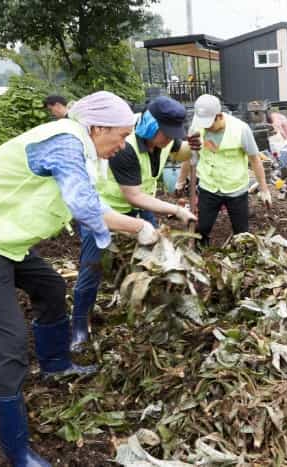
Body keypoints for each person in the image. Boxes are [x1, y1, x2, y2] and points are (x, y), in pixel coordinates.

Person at [0, 91, 159, 467]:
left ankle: (55, 365)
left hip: (2, 242)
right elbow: (85, 208)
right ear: (98, 127)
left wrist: (135, 226)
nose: (122, 145)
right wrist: (139, 228)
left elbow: (85, 197)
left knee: (51, 286)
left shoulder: (81, 147)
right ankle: (16, 450)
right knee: (9, 339)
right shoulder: (64, 144)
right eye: (119, 136)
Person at [71, 96, 197, 351]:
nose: (169, 139)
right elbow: (133, 194)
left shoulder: (164, 139)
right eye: (165, 134)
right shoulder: (124, 147)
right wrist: (176, 210)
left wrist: (191, 146)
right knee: (92, 269)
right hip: (105, 213)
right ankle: (79, 327)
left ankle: (143, 313)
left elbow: (178, 150)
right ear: (150, 126)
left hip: (141, 208)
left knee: (152, 264)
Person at [185, 94, 271, 245]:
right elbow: (190, 156)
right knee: (201, 228)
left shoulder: (241, 129)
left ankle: (242, 260)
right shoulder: (197, 127)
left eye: (210, 123)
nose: (206, 127)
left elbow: (255, 160)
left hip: (235, 189)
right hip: (209, 186)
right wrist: (180, 181)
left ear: (219, 116)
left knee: (242, 232)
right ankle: (200, 254)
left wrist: (264, 189)